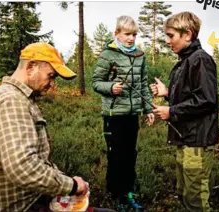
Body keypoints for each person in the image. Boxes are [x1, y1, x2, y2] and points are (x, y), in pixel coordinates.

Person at [0, 42, 89, 212]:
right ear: (31, 67)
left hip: (33, 198)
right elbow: (22, 167)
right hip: (19, 206)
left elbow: (32, 160)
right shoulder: (11, 101)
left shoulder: (19, 98)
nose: (52, 85)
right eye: (50, 76)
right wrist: (72, 186)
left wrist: (61, 178)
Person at [150, 12, 219, 212]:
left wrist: (171, 111)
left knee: (195, 200)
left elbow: (206, 100)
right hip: (185, 138)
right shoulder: (183, 62)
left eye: (171, 35)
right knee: (184, 193)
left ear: (187, 34)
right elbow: (190, 97)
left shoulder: (200, 60)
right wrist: (167, 94)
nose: (167, 41)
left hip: (197, 140)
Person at [92, 15, 154, 211]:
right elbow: (96, 82)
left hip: (132, 115)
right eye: (127, 34)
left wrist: (148, 108)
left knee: (130, 155)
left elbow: (143, 84)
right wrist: (111, 87)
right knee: (116, 155)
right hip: (113, 115)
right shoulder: (108, 55)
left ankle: (128, 193)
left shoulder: (140, 55)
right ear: (116, 34)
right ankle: (115, 195)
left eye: (134, 34)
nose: (131, 38)